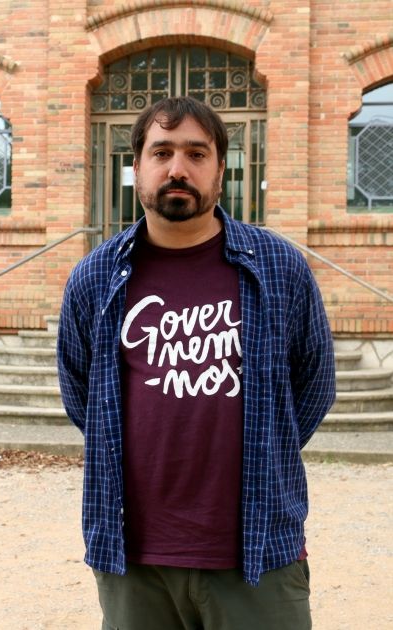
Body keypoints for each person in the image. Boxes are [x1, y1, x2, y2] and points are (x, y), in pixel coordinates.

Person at [57, 96, 336, 630]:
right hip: (133, 557)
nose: (178, 169)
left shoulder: (280, 266)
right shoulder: (94, 277)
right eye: (162, 153)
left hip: (258, 552)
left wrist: (264, 448)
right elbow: (82, 397)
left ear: (221, 169)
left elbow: (314, 386)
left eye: (196, 154)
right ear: (136, 166)